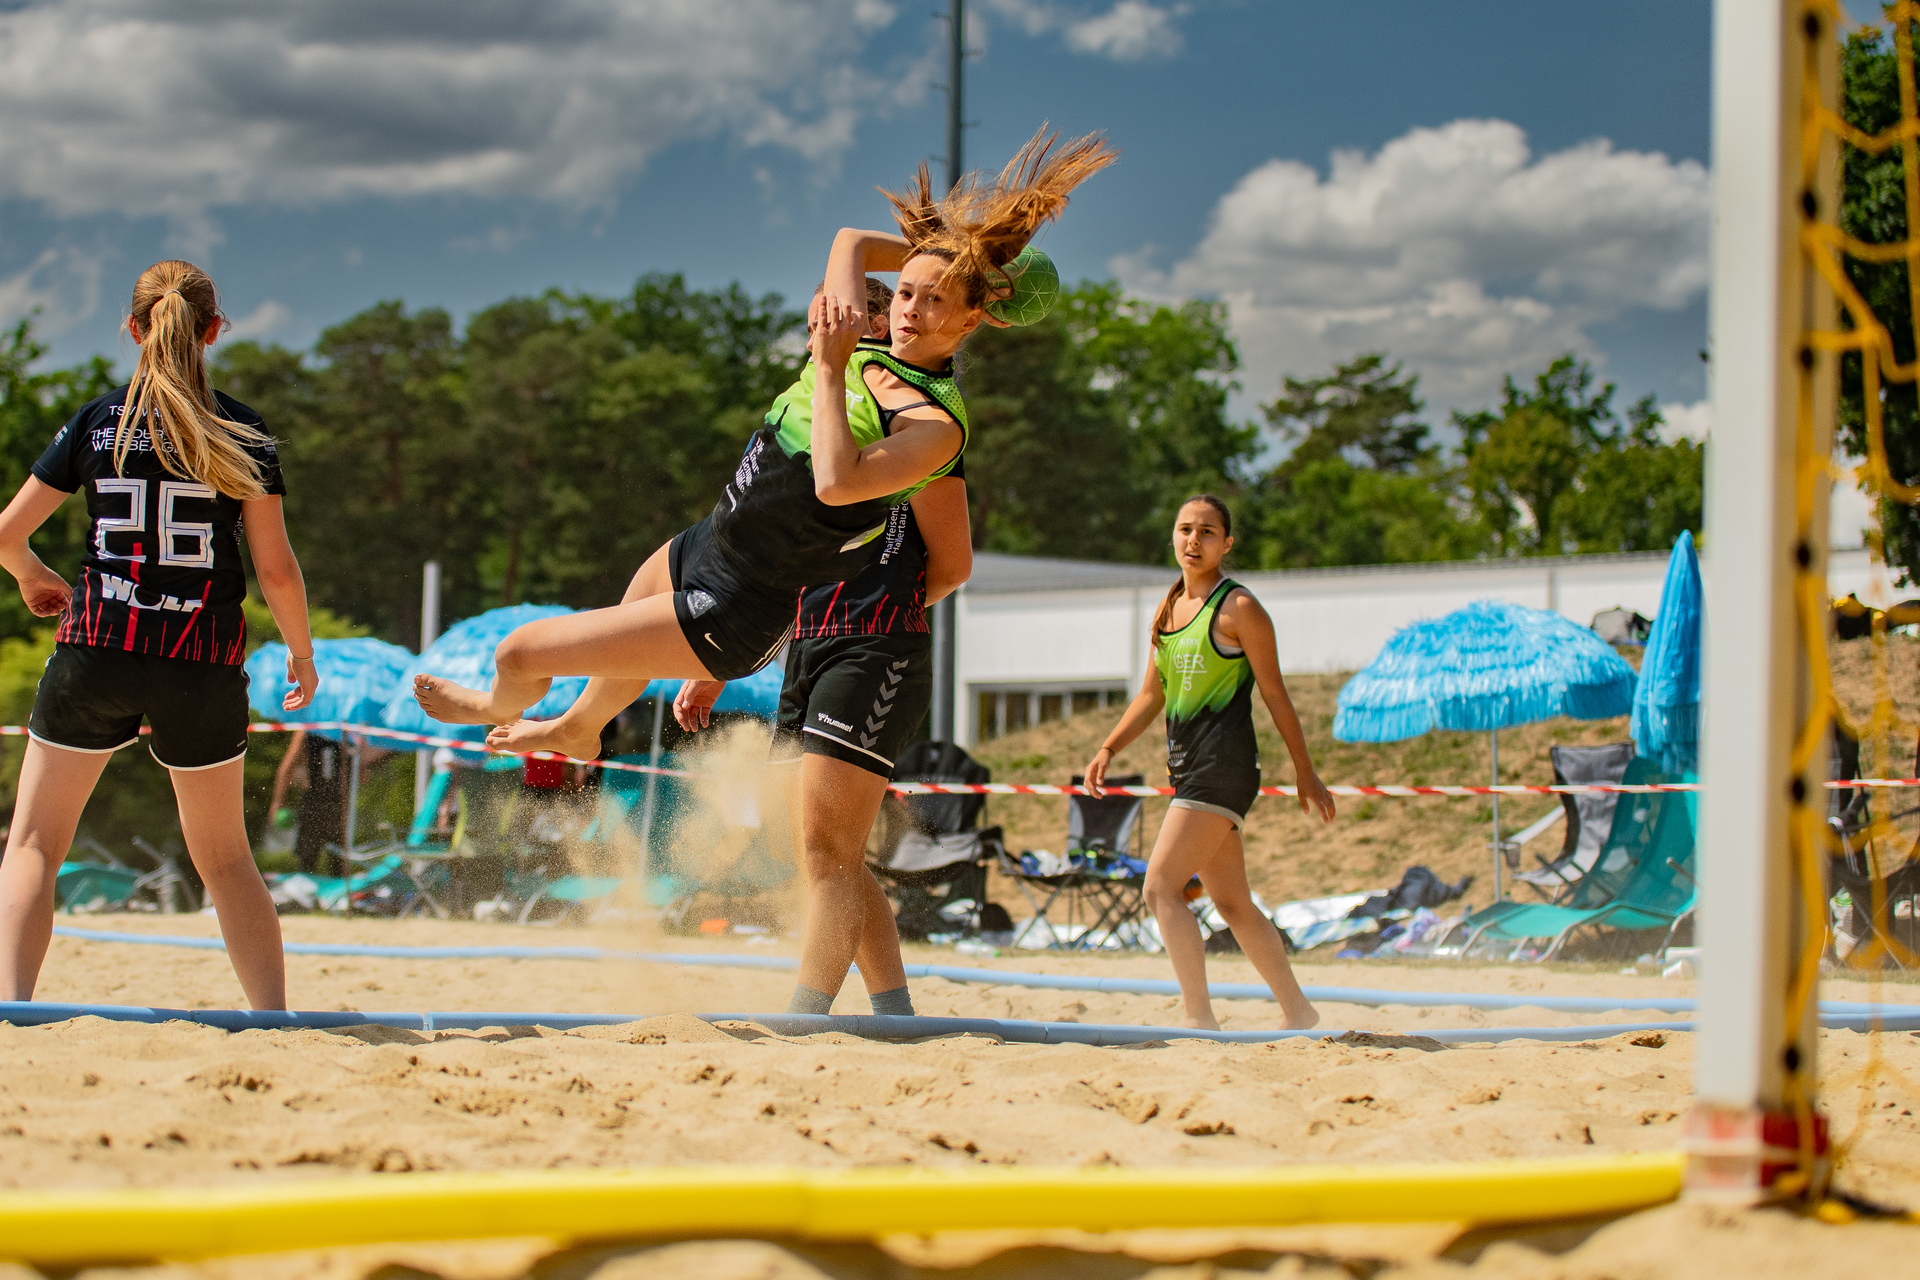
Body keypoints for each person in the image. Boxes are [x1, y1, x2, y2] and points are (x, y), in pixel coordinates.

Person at [412, 127, 1113, 1008]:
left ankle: (508, 708)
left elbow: (841, 486)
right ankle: (582, 729)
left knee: (525, 656)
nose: (906, 308)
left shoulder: (933, 424)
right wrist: (951, 246)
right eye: (905, 292)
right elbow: (849, 243)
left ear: (974, 320)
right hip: (709, 544)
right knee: (797, 831)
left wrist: (833, 366)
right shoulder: (872, 343)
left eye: (934, 302)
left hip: (754, 601)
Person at [0, 260, 318, 1008]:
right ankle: (273, 1019)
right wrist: (302, 653)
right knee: (227, 861)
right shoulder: (241, 430)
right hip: (200, 659)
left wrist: (33, 577)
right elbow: (275, 571)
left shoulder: (97, 422)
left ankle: (11, 1011)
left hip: (98, 646)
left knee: (35, 845)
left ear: (134, 328)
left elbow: (7, 534)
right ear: (213, 331)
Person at [672, 276, 972, 1017]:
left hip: (874, 647)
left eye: (839, 316)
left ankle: (805, 1018)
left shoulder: (914, 424)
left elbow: (953, 565)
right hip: (806, 642)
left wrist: (883, 614)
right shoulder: (813, 415)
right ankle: (895, 1012)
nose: (824, 329)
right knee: (820, 852)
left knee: (825, 852)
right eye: (818, 319)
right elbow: (779, 570)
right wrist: (724, 663)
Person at [1082, 495, 1334, 1031]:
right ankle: (1299, 1011)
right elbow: (1150, 695)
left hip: (1223, 767)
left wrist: (1305, 770)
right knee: (1233, 903)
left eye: (1207, 532)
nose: (1193, 540)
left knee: (1159, 888)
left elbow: (1276, 693)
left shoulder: (1239, 607)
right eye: (1185, 529)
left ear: (1226, 543)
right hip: (1187, 769)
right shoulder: (1168, 608)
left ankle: (1198, 1017)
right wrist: (1108, 749)